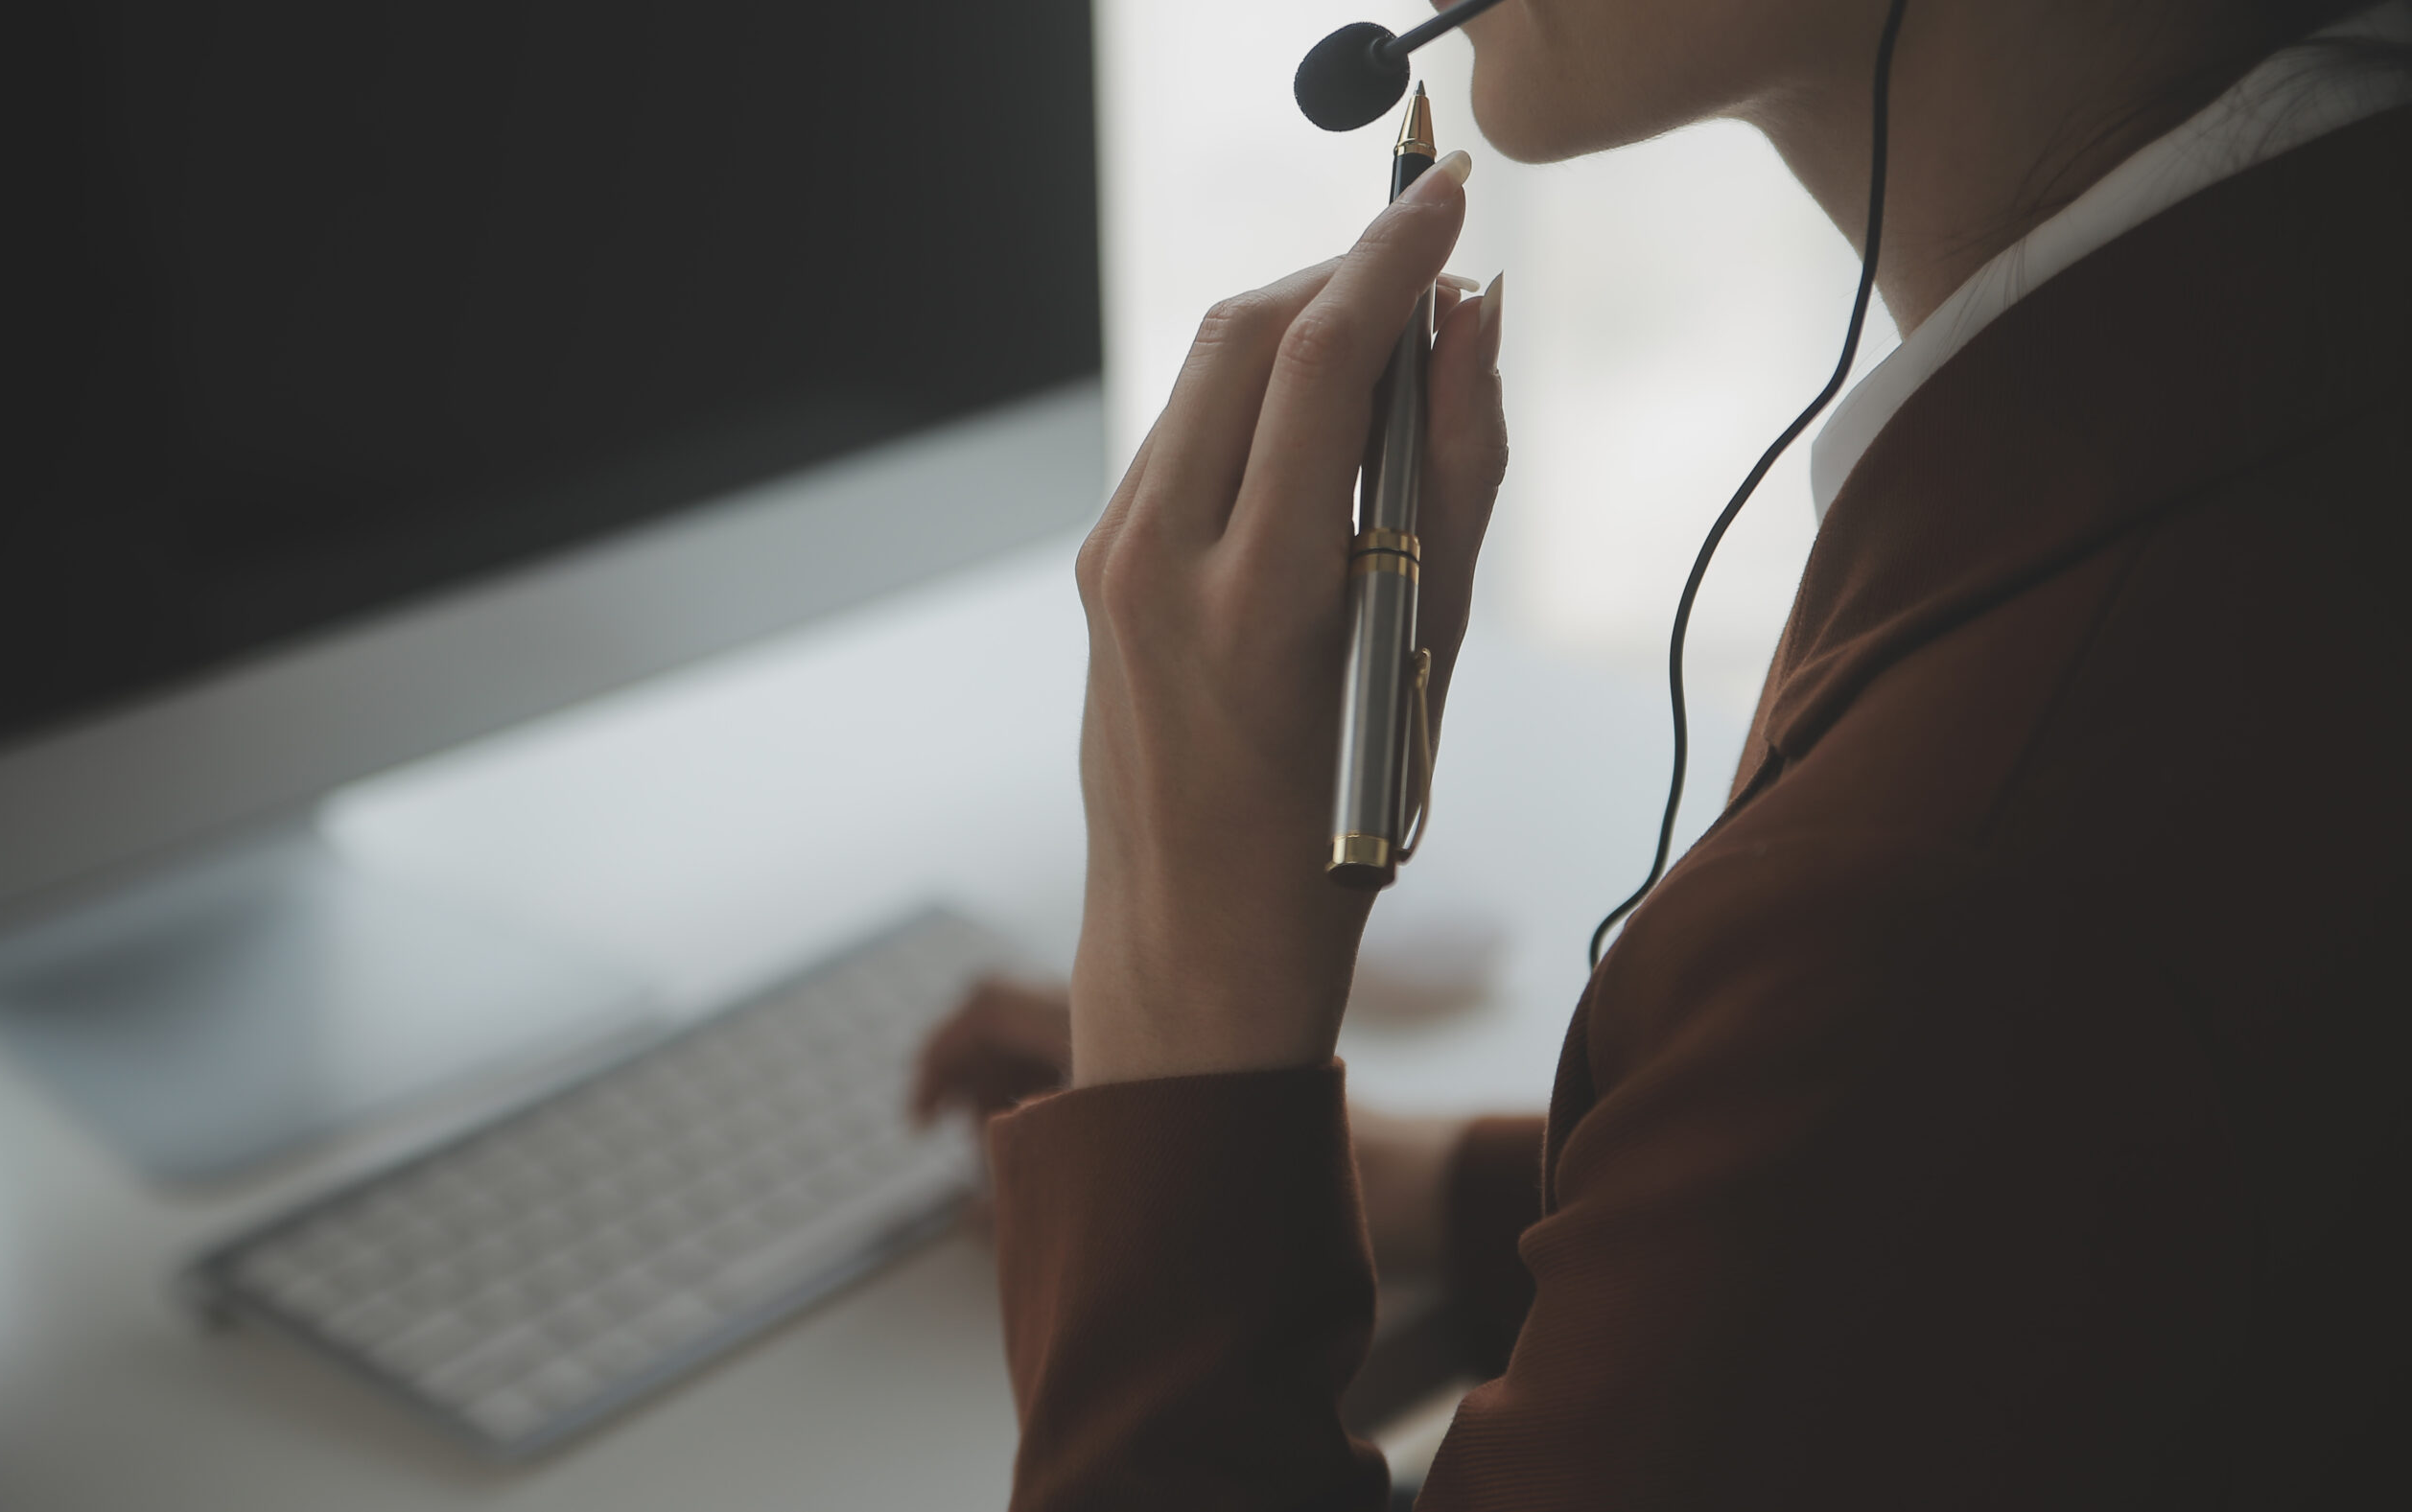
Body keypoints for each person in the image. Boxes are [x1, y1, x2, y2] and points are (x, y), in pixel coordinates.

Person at [912, 0, 2412, 1504]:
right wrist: (1470, 1188)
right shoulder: (2298, 375)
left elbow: (1953, 1065)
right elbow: (1985, 1247)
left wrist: (1182, 1042)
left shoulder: (1951, 895)